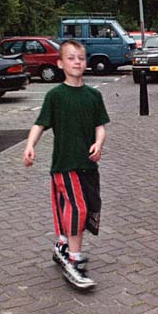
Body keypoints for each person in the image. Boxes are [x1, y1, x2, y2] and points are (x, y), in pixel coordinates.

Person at [22, 39, 109, 290]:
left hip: (88, 165)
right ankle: (74, 259)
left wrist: (98, 144)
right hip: (65, 164)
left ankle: (62, 245)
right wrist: (30, 146)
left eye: (80, 58)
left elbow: (99, 126)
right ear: (60, 63)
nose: (77, 62)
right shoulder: (55, 96)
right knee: (77, 209)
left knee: (88, 207)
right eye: (71, 58)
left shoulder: (94, 95)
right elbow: (39, 124)